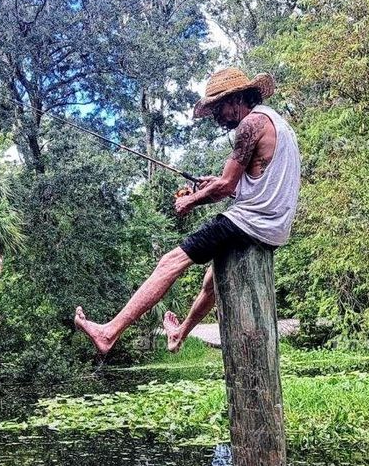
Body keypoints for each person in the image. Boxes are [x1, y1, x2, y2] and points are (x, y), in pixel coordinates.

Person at [74, 68, 301, 355]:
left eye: (218, 109)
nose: (217, 118)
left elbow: (226, 185)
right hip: (274, 225)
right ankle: (180, 333)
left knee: (169, 262)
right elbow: (247, 182)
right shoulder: (275, 122)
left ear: (237, 99)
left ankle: (109, 332)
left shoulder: (250, 124)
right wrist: (213, 184)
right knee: (212, 282)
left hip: (251, 220)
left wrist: (190, 201)